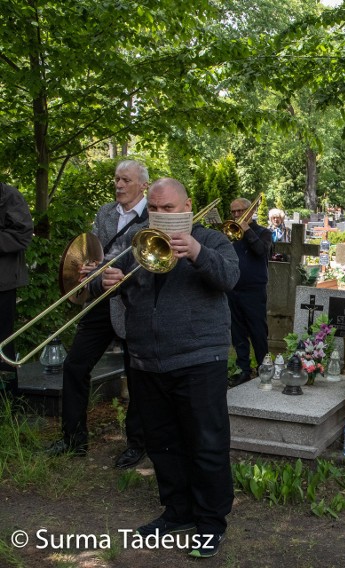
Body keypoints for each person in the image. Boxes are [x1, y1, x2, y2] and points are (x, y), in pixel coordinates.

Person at [97, 178, 239, 558]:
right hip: (147, 360)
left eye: (169, 209)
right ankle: (177, 511)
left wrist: (195, 251)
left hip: (198, 358)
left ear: (188, 206)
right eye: (155, 209)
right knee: (162, 443)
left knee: (206, 444)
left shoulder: (211, 240)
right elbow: (114, 285)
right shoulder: (139, 243)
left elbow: (229, 278)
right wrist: (107, 282)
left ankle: (210, 522)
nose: (160, 216)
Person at [46, 160, 148, 469]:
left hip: (134, 304)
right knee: (75, 366)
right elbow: (92, 249)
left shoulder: (153, 215)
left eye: (125, 179)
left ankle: (137, 444)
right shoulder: (105, 213)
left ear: (142, 184)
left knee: (138, 375)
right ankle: (74, 439)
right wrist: (88, 268)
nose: (118, 184)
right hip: (102, 302)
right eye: (116, 178)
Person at [227, 197, 272, 386]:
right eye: (233, 212)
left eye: (240, 211)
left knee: (257, 331)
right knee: (237, 333)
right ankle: (243, 369)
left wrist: (246, 230)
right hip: (233, 287)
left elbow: (262, 252)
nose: (236, 215)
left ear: (250, 211)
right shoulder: (230, 232)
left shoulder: (264, 232)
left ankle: (265, 368)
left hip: (253, 289)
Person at [0, 183, 33, 397]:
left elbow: (23, 235)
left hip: (2, 283)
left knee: (2, 343)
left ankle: (7, 402)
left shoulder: (9, 195)